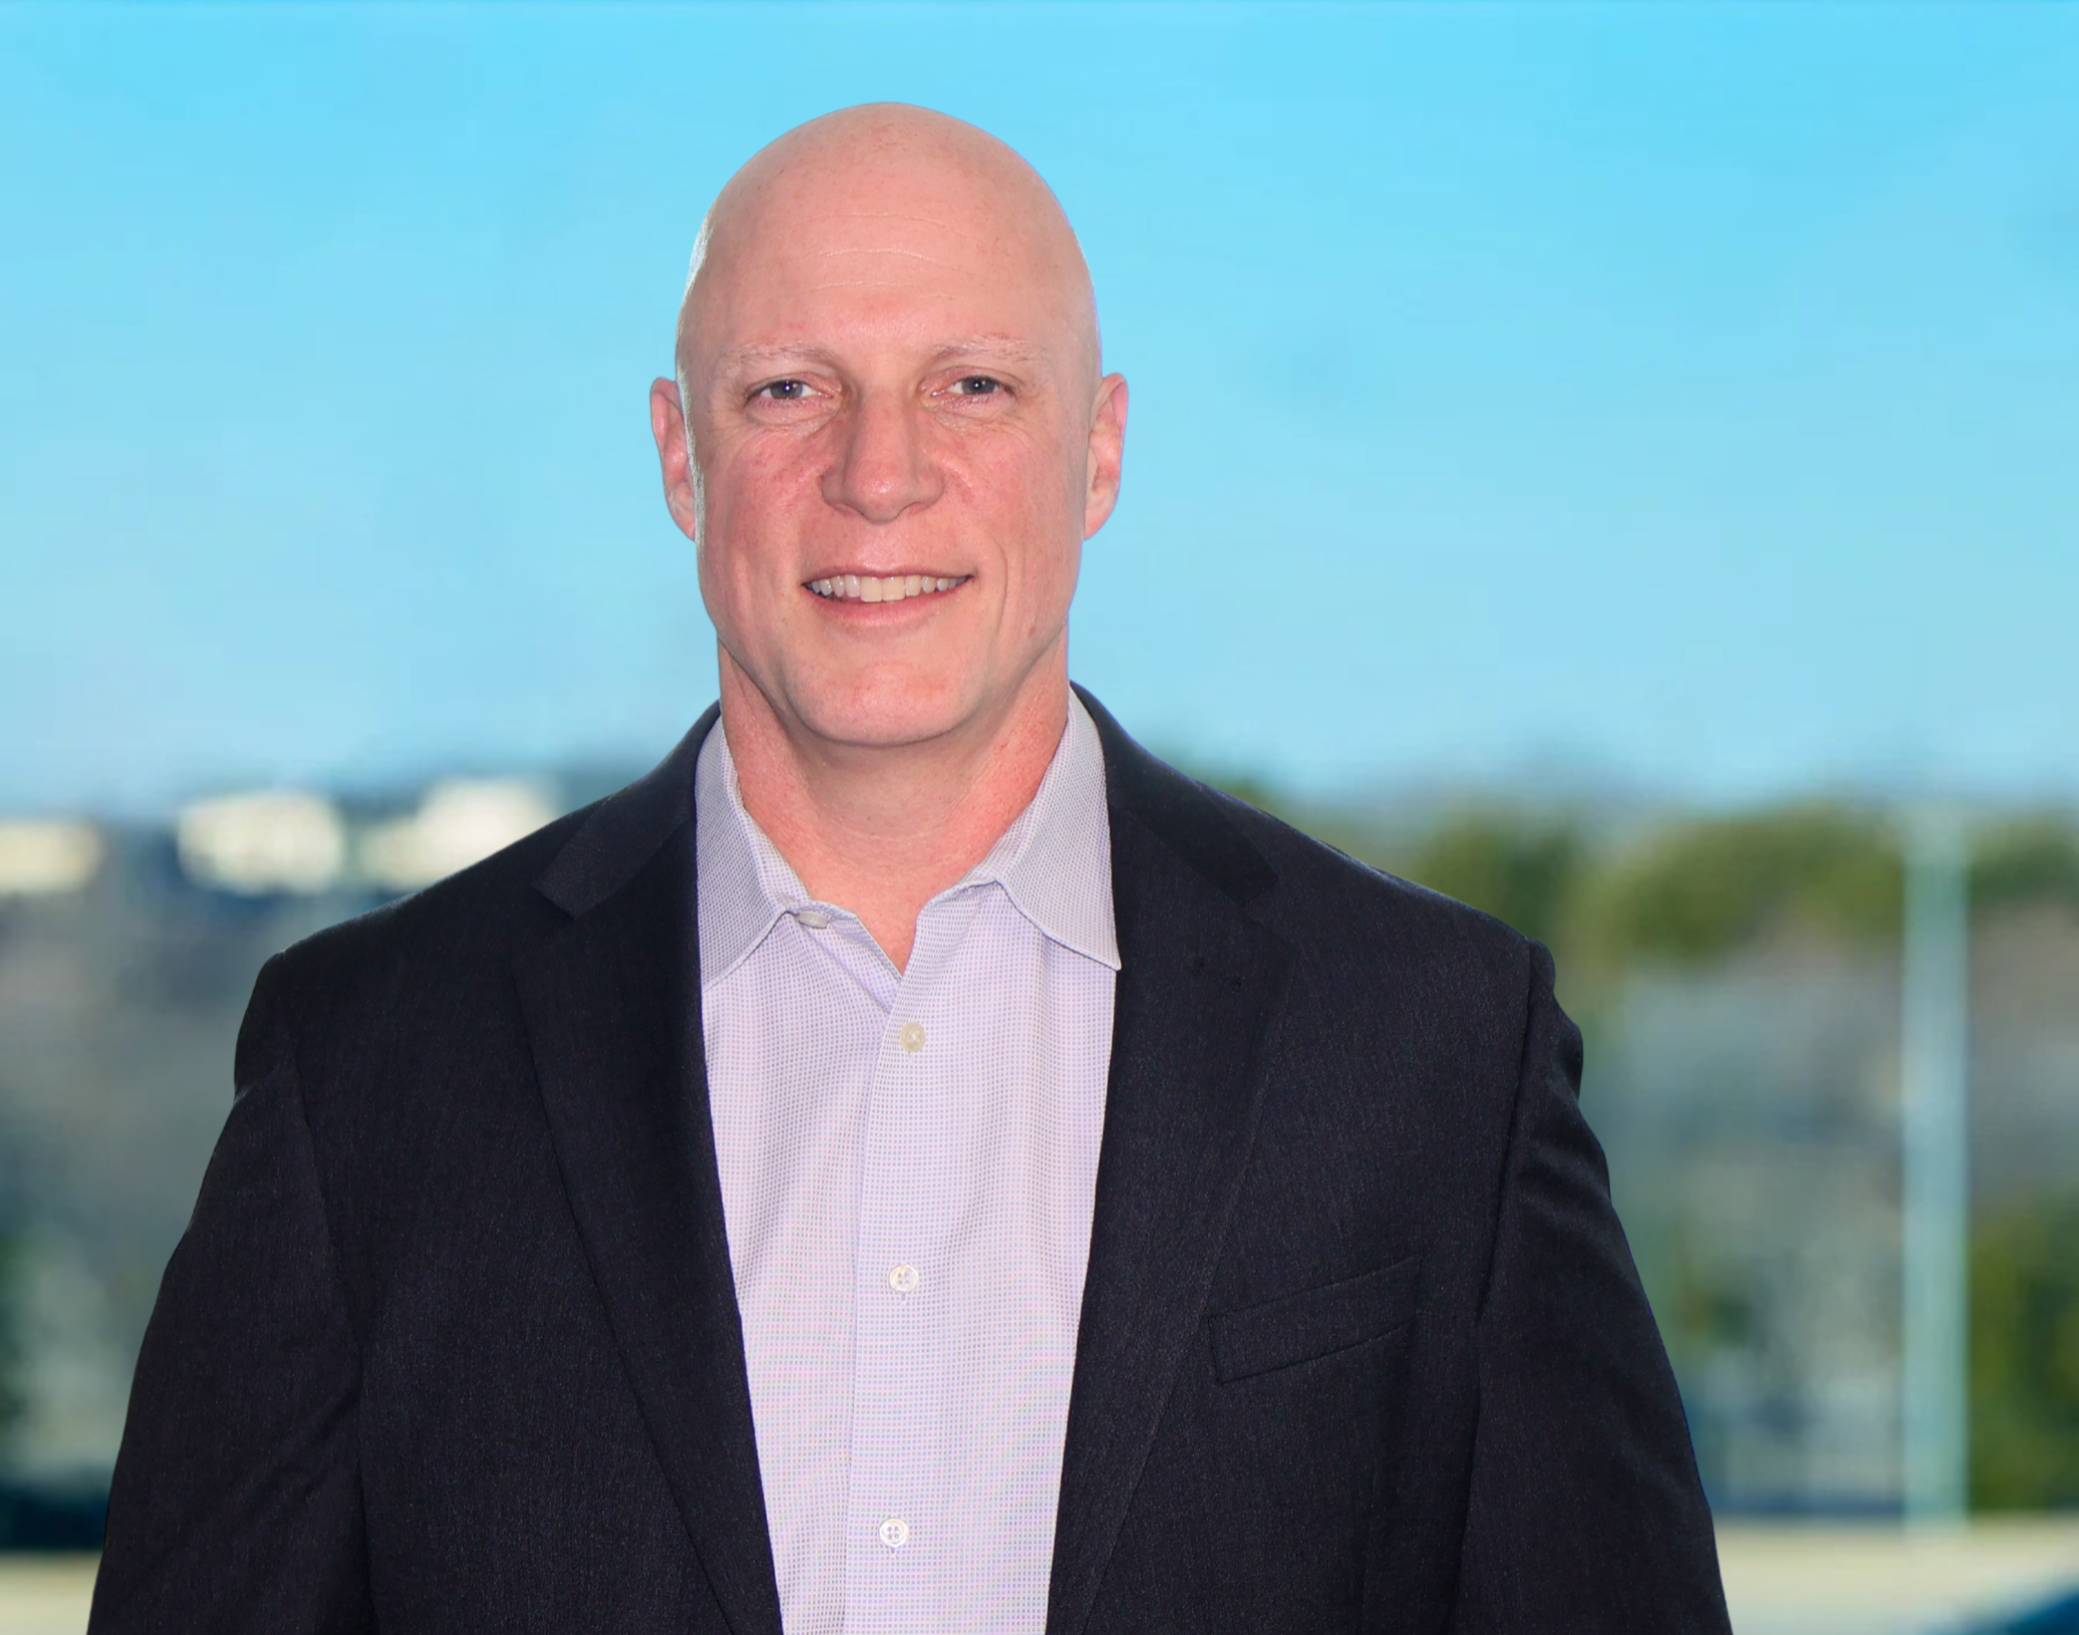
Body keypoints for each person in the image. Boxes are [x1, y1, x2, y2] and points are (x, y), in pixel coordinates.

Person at [91, 104, 1728, 1634]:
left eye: (976, 387)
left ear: (1099, 453)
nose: (881, 476)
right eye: (790, 389)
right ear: (681, 456)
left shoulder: (1433, 1051)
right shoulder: (368, 1069)